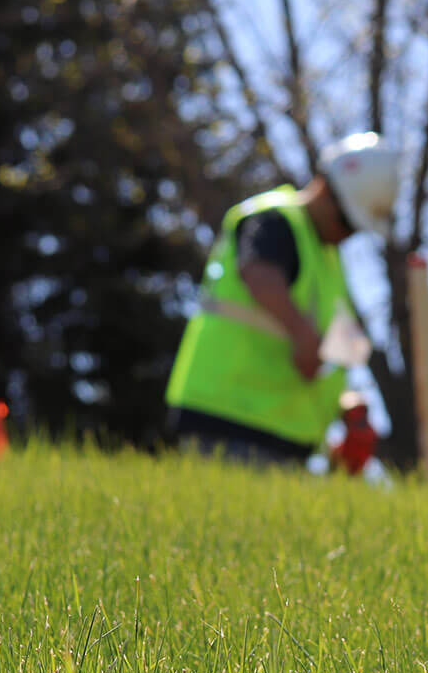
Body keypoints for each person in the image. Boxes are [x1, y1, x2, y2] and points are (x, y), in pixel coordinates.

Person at [165, 132, 399, 465]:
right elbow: (258, 274)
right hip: (228, 419)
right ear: (323, 189)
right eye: (347, 222)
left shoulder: (329, 262)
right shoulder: (275, 220)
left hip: (283, 435)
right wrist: (301, 332)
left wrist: (347, 405)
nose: (346, 236)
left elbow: (336, 348)